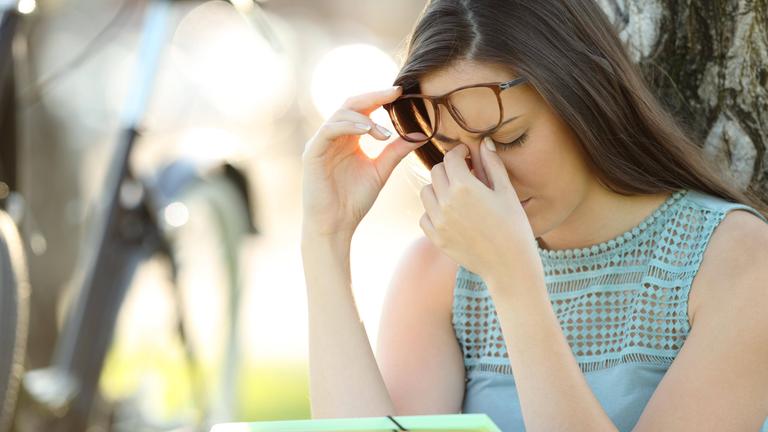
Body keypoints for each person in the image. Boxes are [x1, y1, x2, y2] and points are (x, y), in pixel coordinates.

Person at [300, 0, 768, 430]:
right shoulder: (438, 273)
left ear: (587, 98)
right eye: (450, 151)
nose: (484, 179)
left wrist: (514, 283)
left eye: (508, 139)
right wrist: (327, 236)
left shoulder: (739, 261)